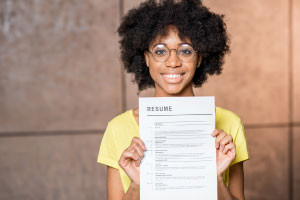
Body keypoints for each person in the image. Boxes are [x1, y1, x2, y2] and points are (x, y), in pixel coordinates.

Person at [98, 0, 249, 199]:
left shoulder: (229, 124)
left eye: (185, 50)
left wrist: (215, 178)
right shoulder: (118, 129)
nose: (173, 62)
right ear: (146, 58)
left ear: (200, 58)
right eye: (160, 51)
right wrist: (138, 185)